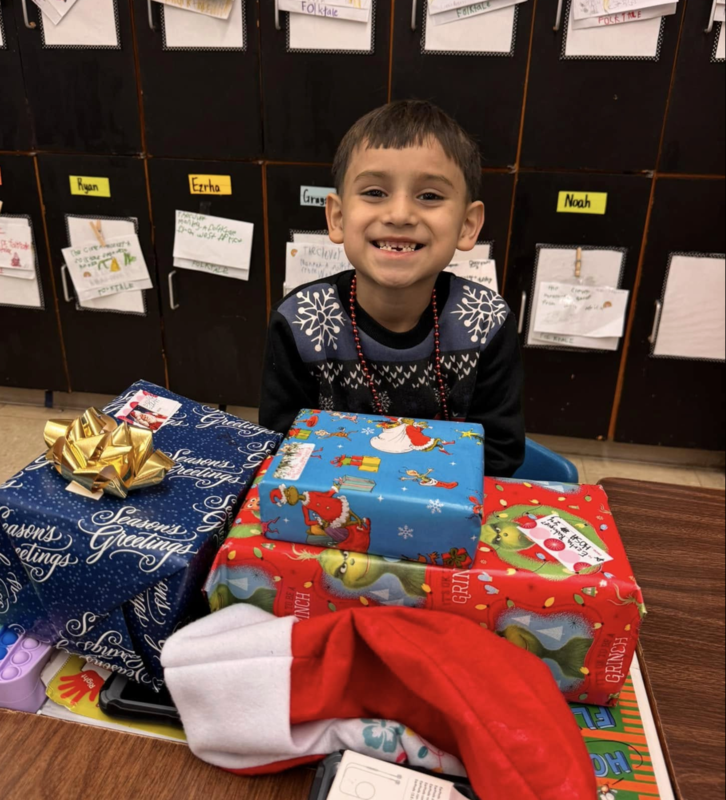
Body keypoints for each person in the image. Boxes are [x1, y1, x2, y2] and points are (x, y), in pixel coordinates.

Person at [260, 100, 525, 477]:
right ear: (337, 217)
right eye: (374, 192)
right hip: (331, 503)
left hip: (446, 511)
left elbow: (498, 455)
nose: (399, 214)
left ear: (468, 225)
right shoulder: (300, 321)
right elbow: (282, 451)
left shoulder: (487, 323)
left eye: (430, 196)